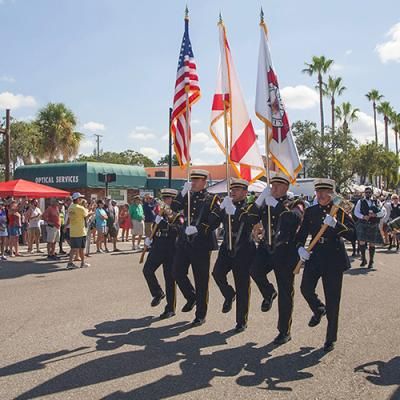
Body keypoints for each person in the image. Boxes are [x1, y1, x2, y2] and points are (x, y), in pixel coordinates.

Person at [297, 178, 354, 352]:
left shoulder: (341, 211)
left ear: (332, 193)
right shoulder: (311, 211)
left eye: (325, 192)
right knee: (305, 288)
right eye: (318, 192)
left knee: (333, 299)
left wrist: (336, 225)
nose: (321, 195)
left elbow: (353, 235)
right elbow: (301, 234)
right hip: (315, 256)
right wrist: (300, 248)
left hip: (334, 257)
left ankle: (330, 338)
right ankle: (318, 309)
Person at [250, 172, 304, 344]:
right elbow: (249, 218)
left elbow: (293, 220)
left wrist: (277, 206)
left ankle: (284, 331)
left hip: (285, 251)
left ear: (286, 188)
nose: (274, 189)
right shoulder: (266, 202)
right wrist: (259, 201)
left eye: (278, 186)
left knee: (286, 293)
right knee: (254, 271)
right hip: (266, 248)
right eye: (272, 186)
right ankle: (269, 292)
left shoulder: (295, 203)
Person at [210, 178, 260, 332]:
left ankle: (241, 320)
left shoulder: (250, 206)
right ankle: (229, 294)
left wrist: (236, 211)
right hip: (227, 246)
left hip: (244, 247)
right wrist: (219, 209)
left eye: (237, 190)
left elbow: (252, 219)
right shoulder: (226, 204)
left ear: (245, 192)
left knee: (242, 285)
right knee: (217, 273)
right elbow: (213, 223)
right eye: (232, 189)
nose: (233, 192)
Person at [171, 169, 219, 326]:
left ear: (204, 182)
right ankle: (191, 297)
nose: (193, 183)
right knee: (177, 272)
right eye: (192, 180)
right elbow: (175, 207)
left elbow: (215, 219)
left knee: (201, 280)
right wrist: (182, 192)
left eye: (197, 180)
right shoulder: (187, 196)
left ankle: (200, 314)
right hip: (185, 242)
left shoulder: (212, 199)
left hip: (201, 243)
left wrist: (200, 229)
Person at [143, 189, 181, 319]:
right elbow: (155, 228)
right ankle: (157, 293)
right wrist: (150, 239)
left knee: (169, 279)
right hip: (158, 246)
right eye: (164, 198)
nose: (165, 201)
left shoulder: (178, 213)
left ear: (173, 200)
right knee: (147, 270)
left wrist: (163, 222)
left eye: (168, 198)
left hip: (171, 248)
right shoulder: (160, 212)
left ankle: (170, 308)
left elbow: (178, 229)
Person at [354, 187, 385, 268]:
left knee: (372, 243)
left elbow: (383, 212)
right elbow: (356, 212)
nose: (368, 193)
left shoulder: (377, 201)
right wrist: (363, 216)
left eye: (369, 192)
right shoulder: (360, 201)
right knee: (361, 242)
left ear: (372, 193)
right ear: (364, 193)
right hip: (363, 223)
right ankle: (363, 259)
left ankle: (371, 261)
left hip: (373, 224)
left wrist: (376, 215)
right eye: (366, 192)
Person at [66, 192, 90, 269]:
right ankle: (80, 263)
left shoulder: (70, 207)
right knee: (81, 249)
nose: (81, 199)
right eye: (80, 198)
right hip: (80, 231)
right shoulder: (80, 208)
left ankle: (71, 263)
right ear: (78, 199)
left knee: (73, 248)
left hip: (73, 231)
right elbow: (86, 214)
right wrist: (91, 212)